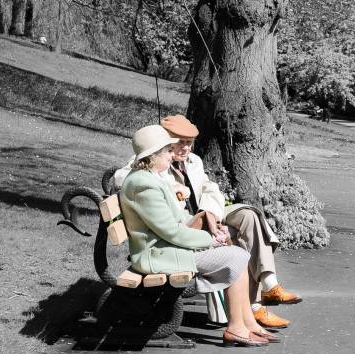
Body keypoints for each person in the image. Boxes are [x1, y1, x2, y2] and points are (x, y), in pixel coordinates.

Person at [114, 115, 301, 329]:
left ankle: (269, 284)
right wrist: (172, 188)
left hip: (205, 213)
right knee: (233, 246)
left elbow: (210, 187)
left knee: (250, 215)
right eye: (179, 142)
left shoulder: (193, 162)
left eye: (189, 142)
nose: (184, 148)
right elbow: (125, 177)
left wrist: (210, 213)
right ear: (166, 142)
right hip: (185, 224)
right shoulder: (150, 167)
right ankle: (252, 309)